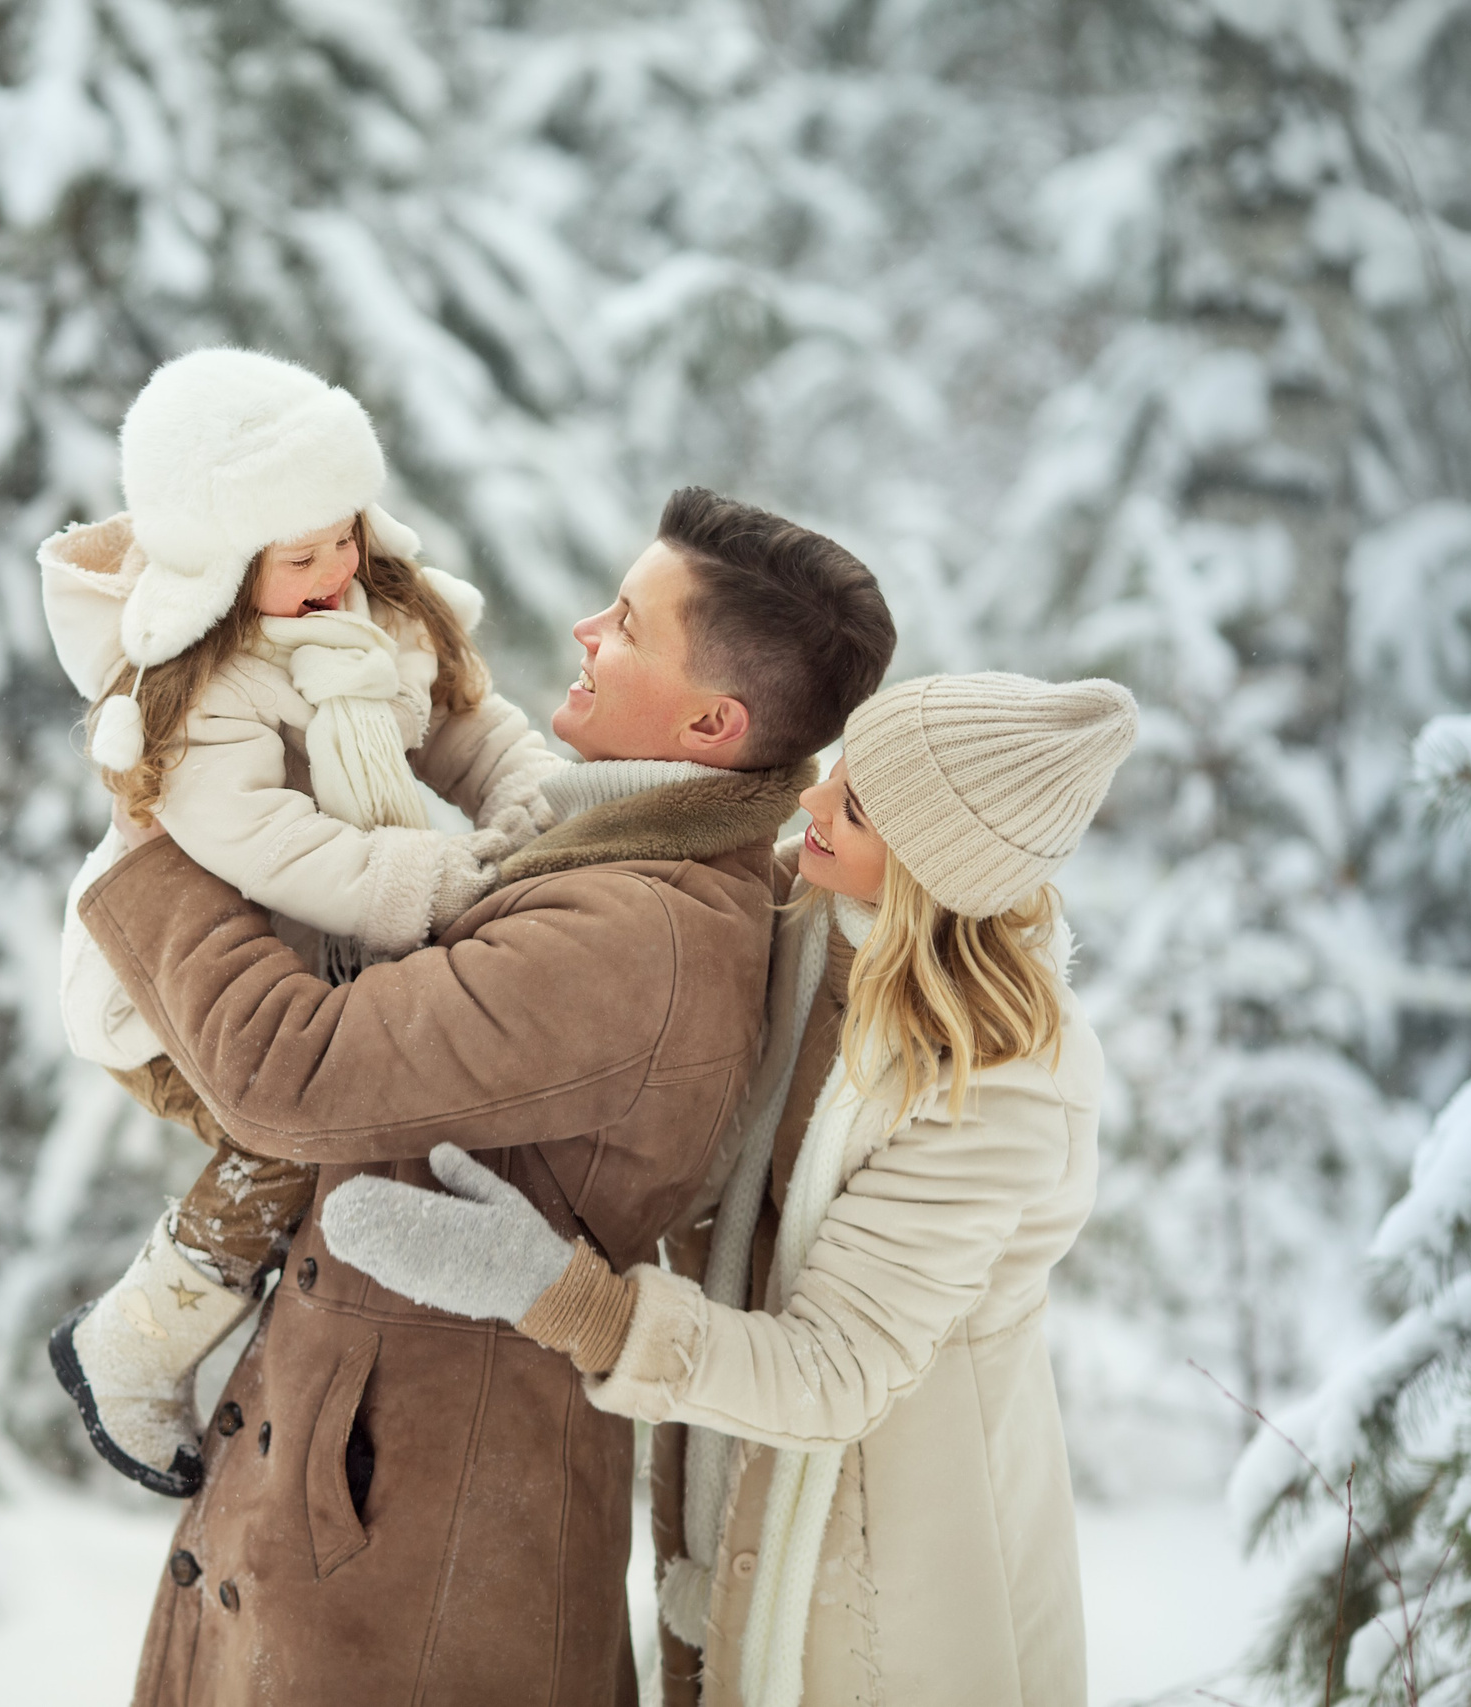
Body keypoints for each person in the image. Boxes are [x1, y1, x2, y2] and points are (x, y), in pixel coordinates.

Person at [72, 488, 895, 1707]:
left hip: (415, 1545)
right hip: (375, 1489)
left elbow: (287, 1071)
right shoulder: (607, 867)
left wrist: (165, 822)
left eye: (623, 624)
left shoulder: (635, 934)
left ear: (713, 720)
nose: (581, 630)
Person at [321, 672, 1139, 1707]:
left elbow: (837, 1369)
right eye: (841, 770)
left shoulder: (997, 1086)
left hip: (891, 1566)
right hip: (731, 1470)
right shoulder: (813, 910)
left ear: (942, 865)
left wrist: (556, 1292)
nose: (814, 802)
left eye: (861, 805)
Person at [42, 347, 566, 1498]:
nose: (335, 565)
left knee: (348, 1139)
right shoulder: (203, 692)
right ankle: (133, 1342)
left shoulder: (373, 622)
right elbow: (265, 845)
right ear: (223, 568)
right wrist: (426, 879)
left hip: (312, 973)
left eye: (346, 534)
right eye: (299, 554)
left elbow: (466, 727)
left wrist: (535, 809)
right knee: (298, 1135)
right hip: (173, 988)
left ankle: (306, 1389)